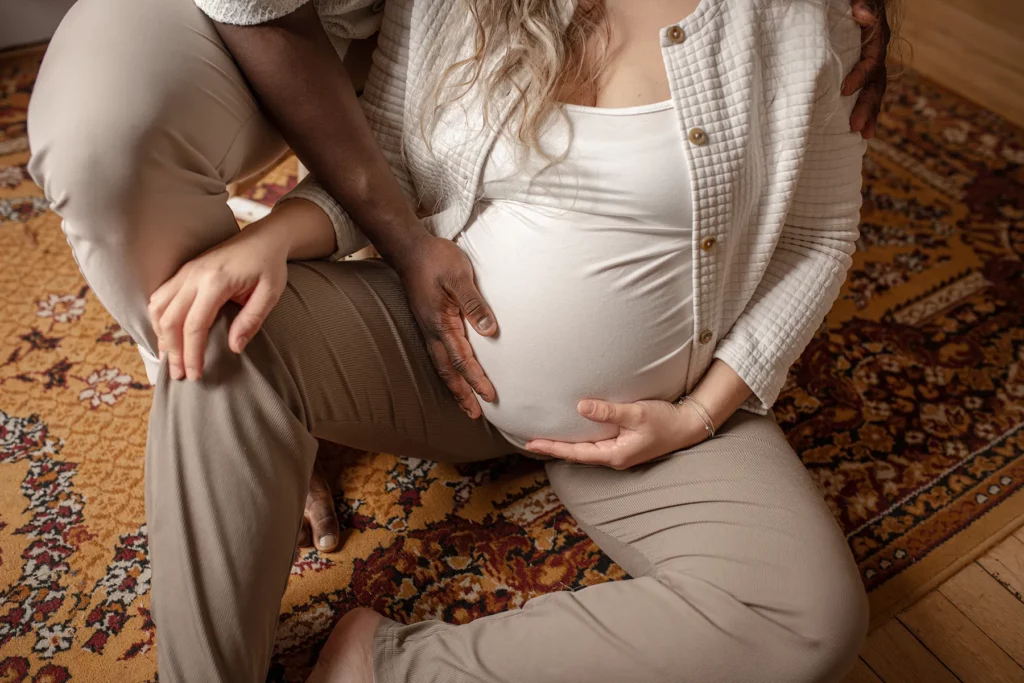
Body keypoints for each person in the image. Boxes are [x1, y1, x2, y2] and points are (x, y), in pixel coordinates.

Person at [27, 0, 892, 680]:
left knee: (806, 620)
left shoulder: (804, 20)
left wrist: (702, 412)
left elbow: (818, 234)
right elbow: (392, 154)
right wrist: (274, 239)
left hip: (648, 420)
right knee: (215, 328)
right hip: (432, 358)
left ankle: (387, 667)